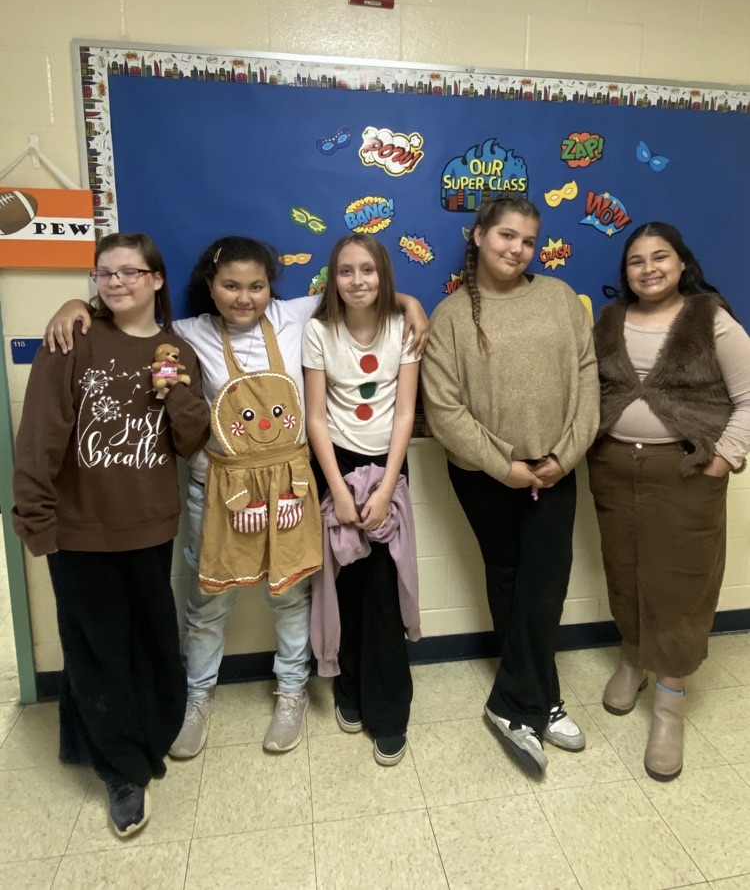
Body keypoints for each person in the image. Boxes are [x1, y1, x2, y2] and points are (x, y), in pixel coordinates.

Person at [45, 235, 428, 760]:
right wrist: (77, 305)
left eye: (256, 286)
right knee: (208, 603)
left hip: (290, 488)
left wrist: (412, 302)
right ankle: (196, 698)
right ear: (210, 286)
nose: (244, 297)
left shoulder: (296, 317)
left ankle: (291, 692)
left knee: (290, 596)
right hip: (219, 489)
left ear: (272, 287)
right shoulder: (185, 333)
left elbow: (364, 294)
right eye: (230, 286)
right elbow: (126, 316)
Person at [12, 233, 209, 838]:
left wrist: (174, 392)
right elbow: (40, 433)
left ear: (156, 279)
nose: (116, 282)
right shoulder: (72, 339)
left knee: (149, 637)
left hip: (149, 525)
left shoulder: (176, 350)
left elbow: (191, 440)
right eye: (104, 273)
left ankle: (149, 730)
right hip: (79, 530)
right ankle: (121, 772)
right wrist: (35, 517)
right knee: (96, 647)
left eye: (130, 272)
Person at [421, 194, 599, 777]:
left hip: (557, 468)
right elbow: (444, 410)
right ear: (478, 236)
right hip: (485, 475)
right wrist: (507, 466)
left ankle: (511, 704)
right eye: (506, 237)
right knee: (509, 578)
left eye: (527, 240)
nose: (517, 249)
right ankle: (541, 701)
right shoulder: (450, 315)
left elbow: (587, 378)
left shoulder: (558, 300)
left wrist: (564, 456)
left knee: (545, 584)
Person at [587, 221, 750, 781]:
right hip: (612, 468)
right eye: (636, 260)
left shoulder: (711, 320)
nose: (648, 268)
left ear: (682, 264)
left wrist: (725, 457)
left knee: (679, 581)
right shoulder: (608, 321)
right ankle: (633, 657)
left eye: (660, 257)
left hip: (685, 472)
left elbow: (749, 397)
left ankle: (670, 700)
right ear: (626, 272)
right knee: (625, 570)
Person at [303, 234, 421, 766]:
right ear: (333, 278)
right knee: (342, 588)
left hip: (389, 469)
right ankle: (348, 689)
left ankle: (390, 710)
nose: (357, 281)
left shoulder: (404, 326)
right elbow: (315, 418)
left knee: (382, 591)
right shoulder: (317, 330)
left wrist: (389, 483)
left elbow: (404, 414)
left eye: (367, 270)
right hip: (337, 468)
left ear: (383, 275)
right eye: (345, 271)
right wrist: (335, 488)